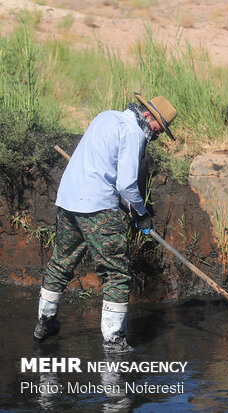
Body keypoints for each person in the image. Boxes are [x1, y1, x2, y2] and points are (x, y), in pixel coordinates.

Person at [33, 92, 178, 352]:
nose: (157, 135)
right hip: (97, 207)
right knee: (117, 273)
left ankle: (45, 323)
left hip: (68, 200)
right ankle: (114, 342)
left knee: (60, 262)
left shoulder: (105, 117)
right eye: (158, 128)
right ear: (147, 115)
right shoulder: (133, 133)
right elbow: (125, 183)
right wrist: (141, 212)